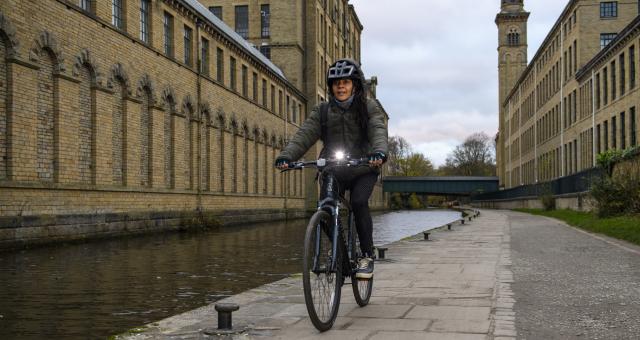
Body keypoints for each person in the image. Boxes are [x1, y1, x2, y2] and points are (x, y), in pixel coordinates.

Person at [275, 59, 388, 279]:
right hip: (333, 168)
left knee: (358, 202)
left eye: (345, 82)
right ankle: (342, 259)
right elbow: (304, 134)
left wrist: (379, 153)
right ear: (331, 86)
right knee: (324, 209)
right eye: (336, 83)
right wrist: (287, 156)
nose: (341, 87)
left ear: (354, 85)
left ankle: (366, 255)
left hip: (363, 167)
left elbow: (377, 130)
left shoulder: (368, 107)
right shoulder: (323, 111)